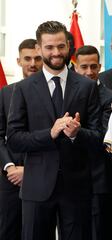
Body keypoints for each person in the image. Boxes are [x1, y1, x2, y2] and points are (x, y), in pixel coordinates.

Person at [7, 21, 100, 240]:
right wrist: (49, 133)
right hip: (36, 188)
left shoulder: (87, 87)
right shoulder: (23, 89)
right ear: (39, 49)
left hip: (76, 189)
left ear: (68, 45)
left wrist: (78, 133)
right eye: (49, 47)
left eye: (61, 46)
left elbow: (99, 137)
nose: (56, 52)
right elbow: (14, 139)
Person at [0, 38, 43, 240]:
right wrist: (10, 167)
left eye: (37, 58)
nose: (32, 63)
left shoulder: (52, 93)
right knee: (8, 231)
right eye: (27, 59)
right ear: (19, 61)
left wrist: (29, 170)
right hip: (9, 180)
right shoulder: (5, 93)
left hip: (42, 177)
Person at [74, 45, 112, 240]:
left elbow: (104, 138)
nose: (89, 72)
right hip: (69, 181)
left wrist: (75, 132)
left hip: (98, 181)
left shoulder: (111, 99)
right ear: (75, 67)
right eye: (84, 67)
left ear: (100, 66)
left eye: (93, 66)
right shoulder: (68, 95)